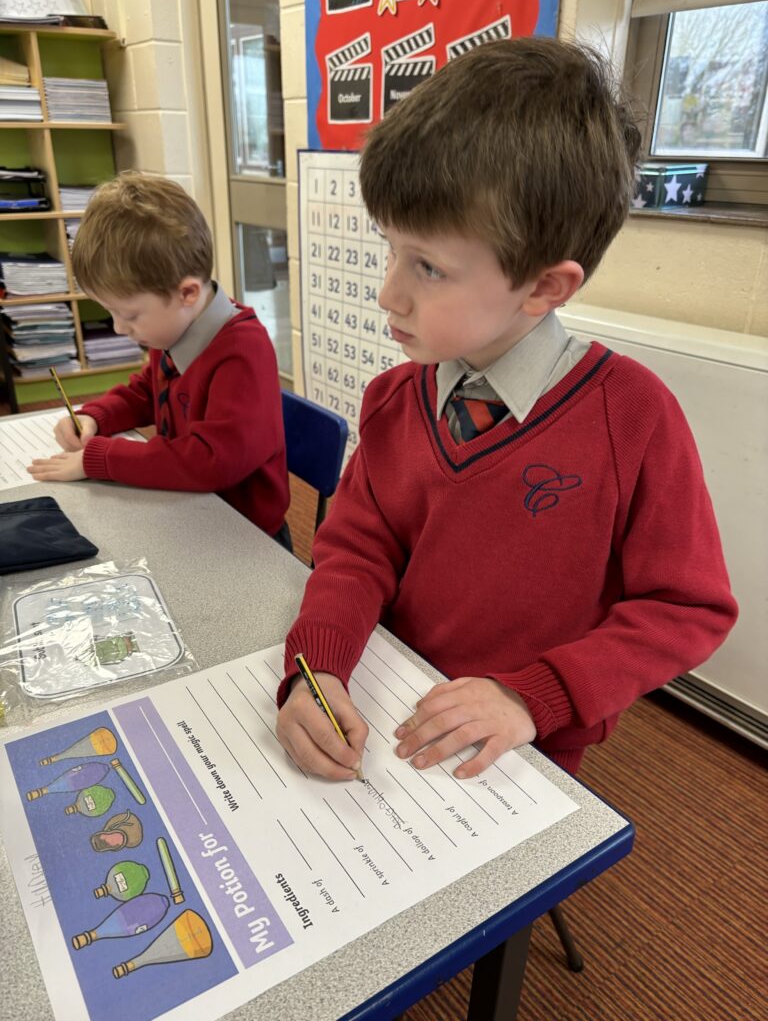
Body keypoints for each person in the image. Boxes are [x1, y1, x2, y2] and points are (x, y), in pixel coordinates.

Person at [275, 38, 737, 780]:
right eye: (390, 250)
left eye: (427, 267)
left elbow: (687, 609)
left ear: (545, 288)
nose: (388, 294)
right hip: (387, 697)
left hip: (522, 747)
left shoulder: (636, 419)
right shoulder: (396, 398)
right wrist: (318, 665)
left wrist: (536, 696)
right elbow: (356, 550)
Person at [28, 172, 291, 547]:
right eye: (112, 313)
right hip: (191, 511)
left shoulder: (241, 352)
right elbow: (147, 392)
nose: (120, 328)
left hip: (246, 538)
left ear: (186, 293)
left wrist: (100, 459)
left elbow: (211, 460)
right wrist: (95, 417)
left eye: (131, 315)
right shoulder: (173, 328)